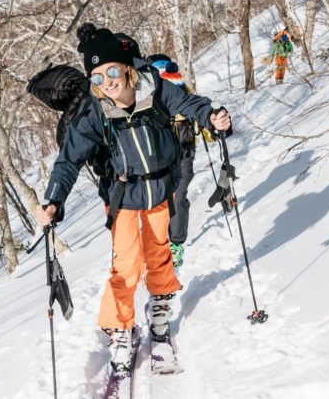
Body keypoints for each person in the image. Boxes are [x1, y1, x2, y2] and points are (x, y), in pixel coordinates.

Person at [35, 25, 232, 373]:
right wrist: (53, 200)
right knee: (125, 266)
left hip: (159, 189)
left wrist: (212, 116)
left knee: (158, 254)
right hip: (122, 195)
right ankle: (120, 333)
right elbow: (69, 160)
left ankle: (159, 315)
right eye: (97, 76)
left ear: (126, 67)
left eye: (112, 71)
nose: (107, 81)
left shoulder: (154, 89)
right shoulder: (93, 111)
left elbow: (188, 103)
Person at [145, 54, 201, 272]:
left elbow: (196, 109)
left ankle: (176, 243)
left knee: (178, 197)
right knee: (160, 201)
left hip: (184, 152)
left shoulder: (180, 90)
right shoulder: (146, 96)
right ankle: (159, 244)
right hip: (158, 158)